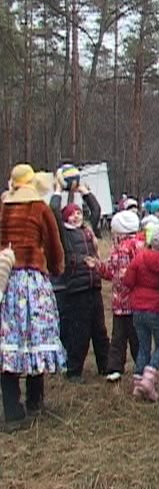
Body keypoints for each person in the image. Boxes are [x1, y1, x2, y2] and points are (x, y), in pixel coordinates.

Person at [0, 165, 65, 432]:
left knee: (9, 341)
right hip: (33, 281)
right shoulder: (40, 208)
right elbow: (53, 244)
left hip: (8, 280)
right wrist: (57, 267)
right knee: (35, 337)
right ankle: (35, 399)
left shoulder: (3, 208)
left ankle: (12, 408)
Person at [50, 187, 109, 382]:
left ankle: (105, 366)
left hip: (94, 286)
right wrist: (58, 192)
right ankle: (74, 371)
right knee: (79, 332)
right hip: (77, 289)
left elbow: (97, 210)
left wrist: (85, 192)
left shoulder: (88, 230)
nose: (76, 217)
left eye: (78, 213)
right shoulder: (64, 235)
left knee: (99, 330)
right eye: (71, 214)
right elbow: (53, 214)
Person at [123, 223, 159, 402]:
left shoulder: (140, 257)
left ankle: (138, 384)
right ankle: (149, 377)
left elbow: (128, 281)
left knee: (143, 345)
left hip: (138, 306)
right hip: (157, 307)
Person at [91, 210, 145, 382]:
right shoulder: (141, 244)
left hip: (123, 303)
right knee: (138, 338)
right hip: (140, 302)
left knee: (119, 337)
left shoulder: (122, 249)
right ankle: (142, 368)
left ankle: (115, 368)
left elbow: (119, 276)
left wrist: (98, 267)